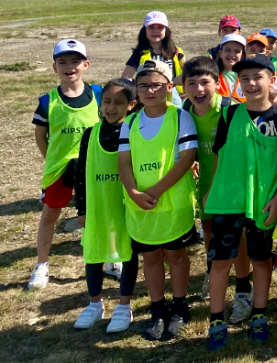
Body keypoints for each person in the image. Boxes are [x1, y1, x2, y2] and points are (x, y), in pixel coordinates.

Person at [205, 55, 277, 350]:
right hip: (227, 201)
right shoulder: (229, 115)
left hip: (263, 204)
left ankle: (259, 314)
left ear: (272, 80)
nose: (252, 83)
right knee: (219, 262)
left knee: (260, 260)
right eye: (245, 79)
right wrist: (211, 189)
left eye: (258, 77)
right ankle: (216, 319)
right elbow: (219, 154)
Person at [118, 59, 200, 341]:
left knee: (176, 256)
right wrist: (134, 193)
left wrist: (156, 190)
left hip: (172, 205)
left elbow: (187, 158)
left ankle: (179, 306)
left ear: (168, 87)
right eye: (143, 86)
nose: (150, 91)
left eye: (156, 85)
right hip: (141, 206)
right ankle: (157, 309)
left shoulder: (181, 117)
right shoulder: (129, 122)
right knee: (151, 259)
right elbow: (124, 163)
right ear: (136, 92)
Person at [30, 39, 102, 290]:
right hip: (60, 169)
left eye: (75, 61)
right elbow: (41, 135)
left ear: (86, 64)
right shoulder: (47, 101)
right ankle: (41, 265)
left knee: (100, 213)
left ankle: (111, 258)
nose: (69, 66)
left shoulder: (99, 94)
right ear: (54, 67)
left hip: (93, 166)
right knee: (51, 214)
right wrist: (51, 158)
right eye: (63, 62)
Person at [70, 78, 139, 333]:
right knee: (93, 253)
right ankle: (95, 303)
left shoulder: (133, 132)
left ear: (131, 105)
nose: (111, 108)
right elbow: (81, 173)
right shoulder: (91, 134)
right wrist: (82, 209)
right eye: (106, 102)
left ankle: (123, 306)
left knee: (128, 253)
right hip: (98, 207)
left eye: (118, 103)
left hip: (125, 206)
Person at [182, 57, 245, 303]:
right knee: (208, 229)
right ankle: (213, 271)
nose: (199, 90)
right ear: (184, 88)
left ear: (217, 84)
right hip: (203, 182)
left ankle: (242, 282)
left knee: (237, 234)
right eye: (192, 83)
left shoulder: (232, 109)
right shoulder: (184, 112)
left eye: (205, 82)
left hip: (230, 183)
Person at [122, 12, 186, 98]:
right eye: (151, 27)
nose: (155, 31)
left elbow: (190, 72)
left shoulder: (176, 52)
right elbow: (125, 78)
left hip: (172, 94)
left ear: (166, 30)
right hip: (149, 94)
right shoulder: (140, 53)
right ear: (145, 30)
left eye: (160, 27)